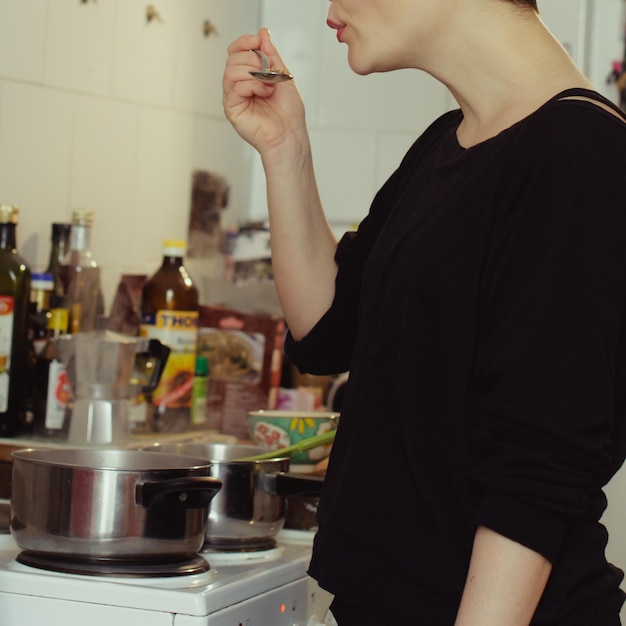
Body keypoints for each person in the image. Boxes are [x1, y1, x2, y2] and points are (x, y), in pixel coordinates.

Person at [222, 0, 626, 623]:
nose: (332, 7)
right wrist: (285, 148)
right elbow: (331, 331)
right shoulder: (450, 142)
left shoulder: (581, 154)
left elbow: (537, 476)